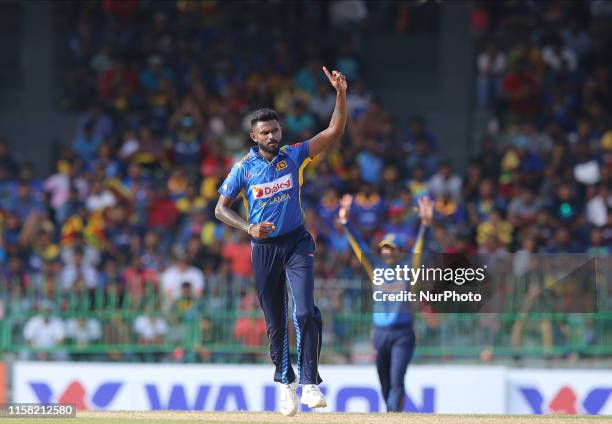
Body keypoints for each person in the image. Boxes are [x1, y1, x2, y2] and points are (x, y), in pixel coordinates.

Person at [215, 66, 347, 416]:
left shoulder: (294, 155)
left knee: (304, 311)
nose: (272, 135)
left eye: (275, 130)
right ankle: (285, 383)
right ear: (254, 137)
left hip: (297, 243)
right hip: (264, 249)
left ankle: (309, 383)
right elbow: (219, 209)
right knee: (275, 322)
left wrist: (340, 94)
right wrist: (247, 229)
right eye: (265, 132)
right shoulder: (243, 169)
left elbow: (334, 131)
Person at [338, 194, 433, 412]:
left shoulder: (408, 270)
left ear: (399, 251)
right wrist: (345, 223)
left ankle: (391, 414)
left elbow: (418, 250)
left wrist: (425, 227)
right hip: (380, 334)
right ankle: (392, 412)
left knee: (397, 378)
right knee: (384, 380)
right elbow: (360, 248)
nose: (387, 251)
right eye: (384, 248)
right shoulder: (376, 270)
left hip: (403, 334)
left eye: (391, 248)